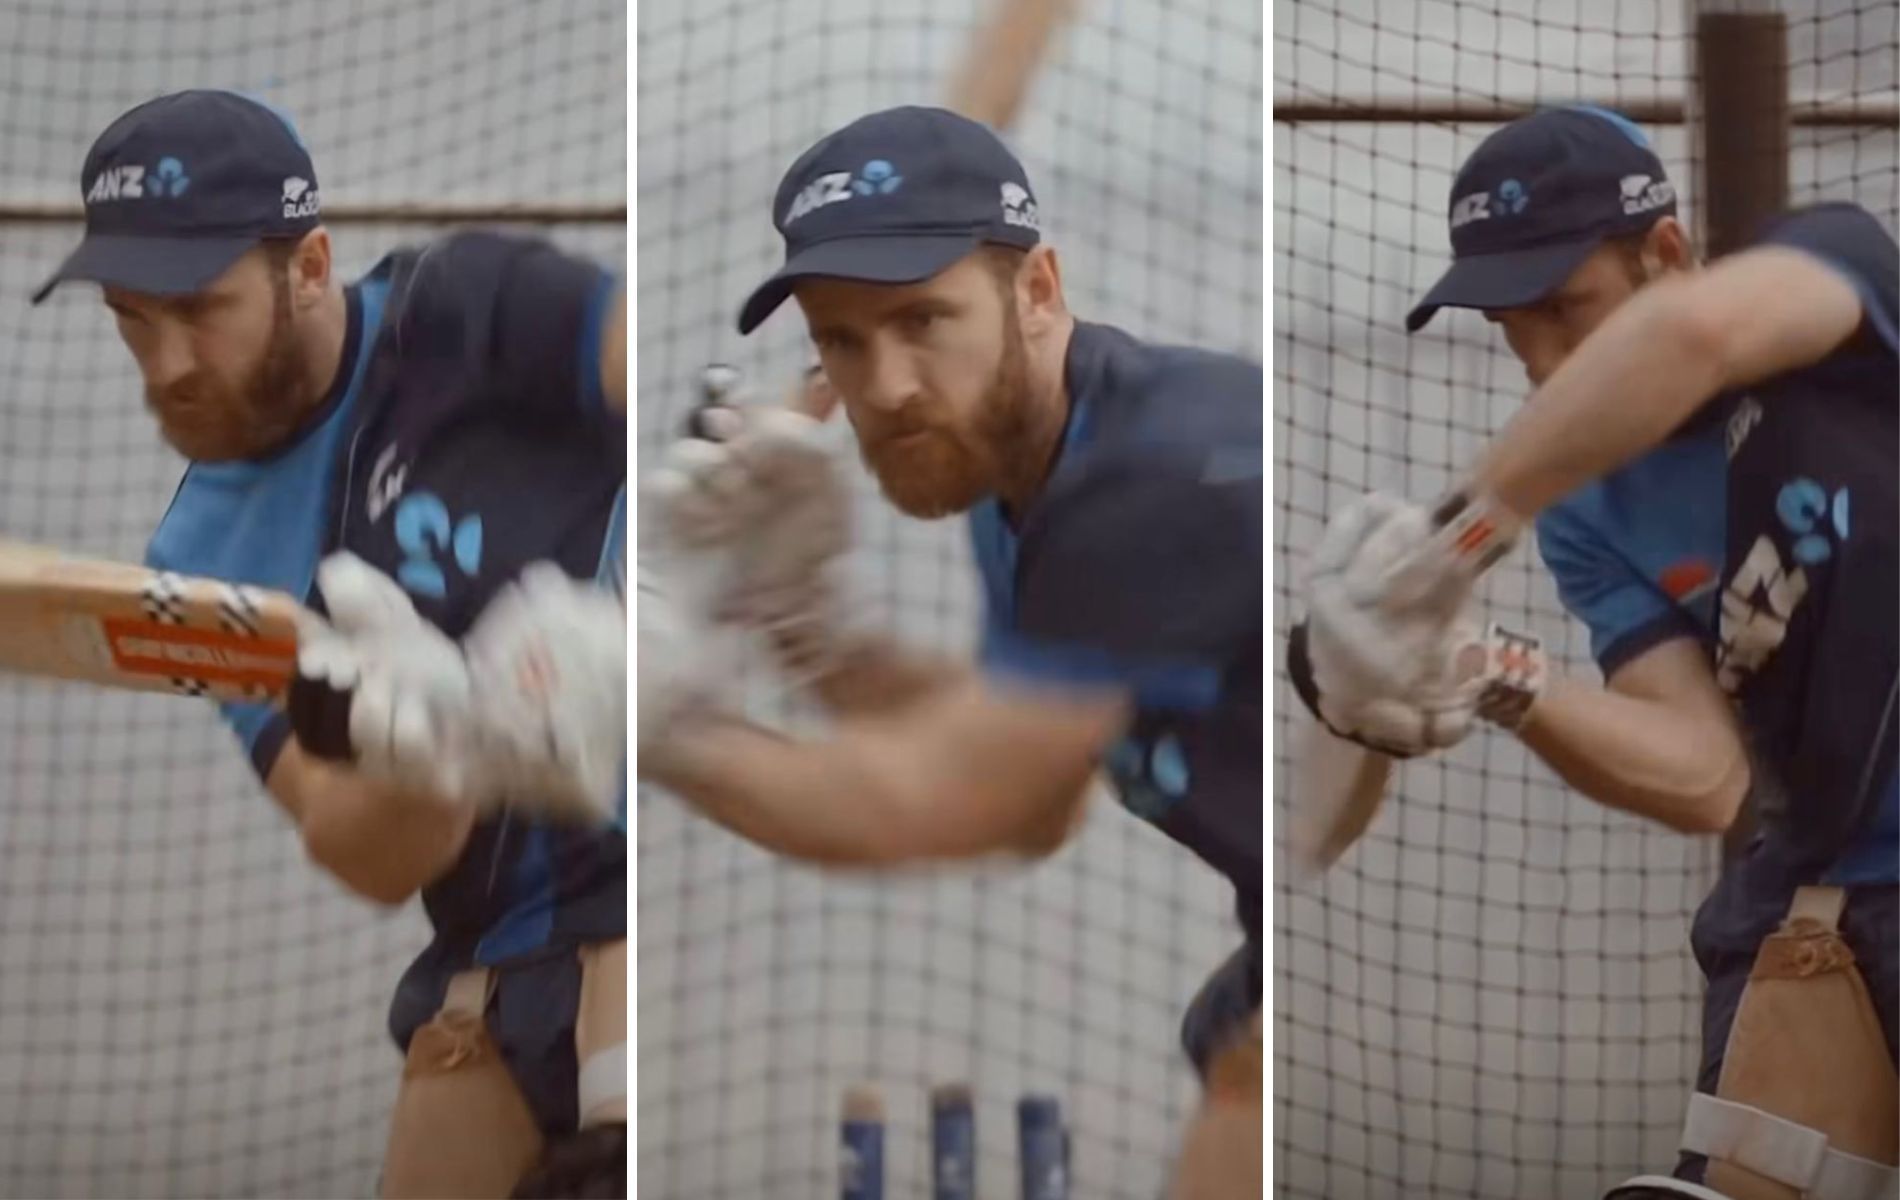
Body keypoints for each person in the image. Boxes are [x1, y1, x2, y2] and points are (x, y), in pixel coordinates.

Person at [637, 102, 1263, 1195]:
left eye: (923, 319)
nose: (882, 388)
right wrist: (805, 631)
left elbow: (939, 802)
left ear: (1038, 291)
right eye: (841, 337)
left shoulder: (1153, 471)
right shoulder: (1007, 466)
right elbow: (1031, 791)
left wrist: (634, 717)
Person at [1287, 105, 1897, 1198]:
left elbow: (1690, 340)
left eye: (1568, 310)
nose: (1542, 366)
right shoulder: (1583, 507)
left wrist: (1453, 544)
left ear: (1664, 254)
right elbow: (1705, 778)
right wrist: (1484, 670)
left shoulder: (1827, 270)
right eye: (1511, 330)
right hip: (1824, 884)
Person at [31, 89, 629, 1200]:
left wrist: (646, 615)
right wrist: (442, 753)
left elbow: (644, 372)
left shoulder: (457, 310)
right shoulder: (202, 549)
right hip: (494, 957)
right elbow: (363, 851)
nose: (164, 367)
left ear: (309, 267)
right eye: (130, 319)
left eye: (199, 309)